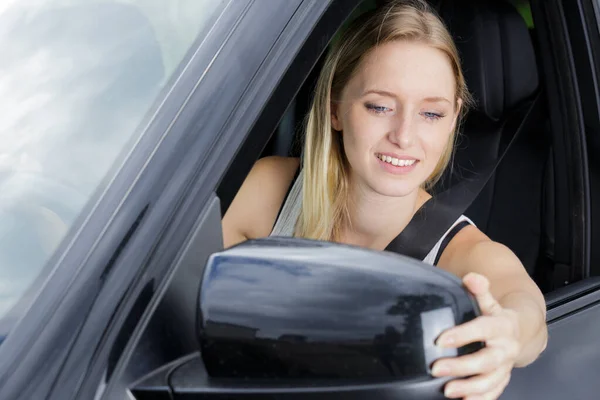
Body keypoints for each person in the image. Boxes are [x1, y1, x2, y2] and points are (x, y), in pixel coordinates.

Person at [222, 0, 548, 398]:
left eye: (431, 114)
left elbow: (526, 309)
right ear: (336, 108)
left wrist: (511, 332)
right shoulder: (268, 191)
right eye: (380, 106)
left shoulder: (463, 255)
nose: (404, 136)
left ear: (453, 120)